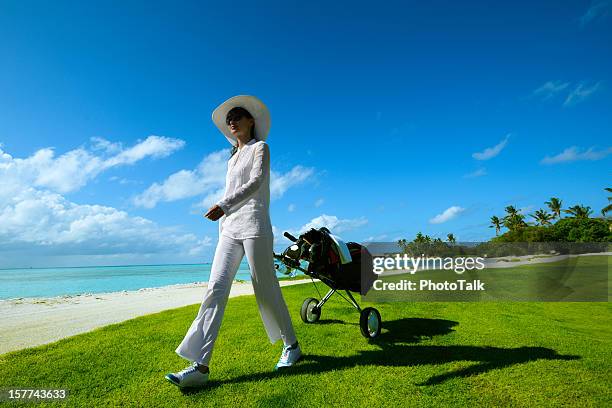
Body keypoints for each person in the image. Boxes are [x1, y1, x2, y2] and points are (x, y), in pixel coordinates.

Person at [165, 95, 301, 389]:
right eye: (230, 119)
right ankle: (199, 366)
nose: (232, 121)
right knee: (215, 288)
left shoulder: (260, 148)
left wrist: (223, 205)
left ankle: (291, 345)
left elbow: (256, 183)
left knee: (265, 288)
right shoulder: (231, 158)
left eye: (238, 115)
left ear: (251, 121)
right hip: (229, 229)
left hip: (254, 225)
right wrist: (225, 216)